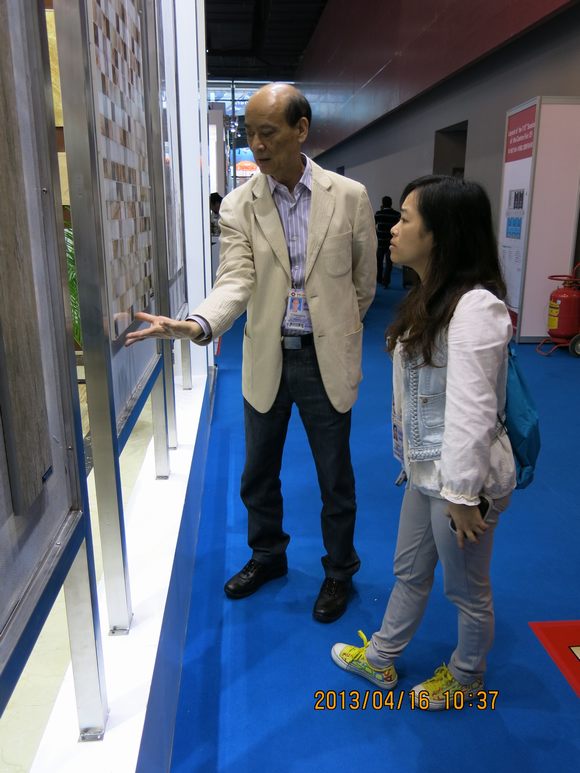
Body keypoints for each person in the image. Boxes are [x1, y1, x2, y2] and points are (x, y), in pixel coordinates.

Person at [125, 83, 377, 622]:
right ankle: (268, 556)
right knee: (258, 473)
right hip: (267, 355)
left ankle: (339, 570)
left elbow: (363, 283)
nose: (257, 146)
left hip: (325, 359)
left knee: (335, 476)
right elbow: (235, 280)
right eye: (249, 134)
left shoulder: (348, 196)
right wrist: (197, 323)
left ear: (301, 130)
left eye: (267, 133)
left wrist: (335, 328)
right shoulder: (240, 205)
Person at [331, 175, 516, 707]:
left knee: (467, 589)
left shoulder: (475, 308)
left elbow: (473, 410)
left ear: (440, 234)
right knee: (410, 570)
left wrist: (461, 494)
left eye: (406, 219)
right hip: (425, 471)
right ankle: (382, 657)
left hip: (462, 481)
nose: (392, 229)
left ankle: (467, 676)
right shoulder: (431, 299)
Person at [374, 195, 400, 286]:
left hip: (380, 242)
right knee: (389, 263)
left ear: (383, 203)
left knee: (379, 262)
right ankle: (386, 282)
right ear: (391, 203)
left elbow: (373, 225)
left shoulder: (378, 214)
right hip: (391, 243)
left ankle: (379, 279)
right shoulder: (396, 214)